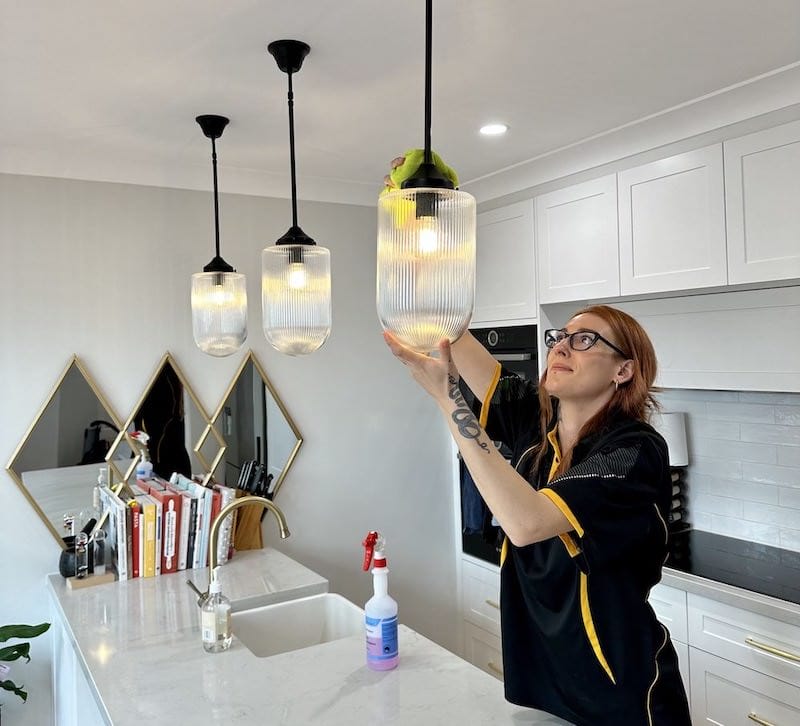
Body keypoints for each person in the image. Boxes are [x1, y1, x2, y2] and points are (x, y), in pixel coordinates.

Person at [384, 304, 692, 726]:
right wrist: (431, 282)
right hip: (551, 689)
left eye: (584, 339)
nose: (561, 346)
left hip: (622, 694)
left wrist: (447, 397)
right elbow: (452, 330)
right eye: (559, 336)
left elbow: (526, 523)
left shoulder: (633, 450)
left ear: (623, 371)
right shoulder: (537, 421)